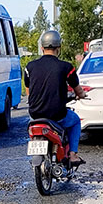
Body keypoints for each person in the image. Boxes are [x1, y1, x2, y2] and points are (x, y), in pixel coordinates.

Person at [24, 30, 88, 166]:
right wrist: (81, 95)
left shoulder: (30, 67)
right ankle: (73, 155)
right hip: (57, 114)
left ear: (42, 47)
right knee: (75, 120)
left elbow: (28, 90)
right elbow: (77, 89)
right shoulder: (66, 67)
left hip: (35, 114)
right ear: (58, 48)